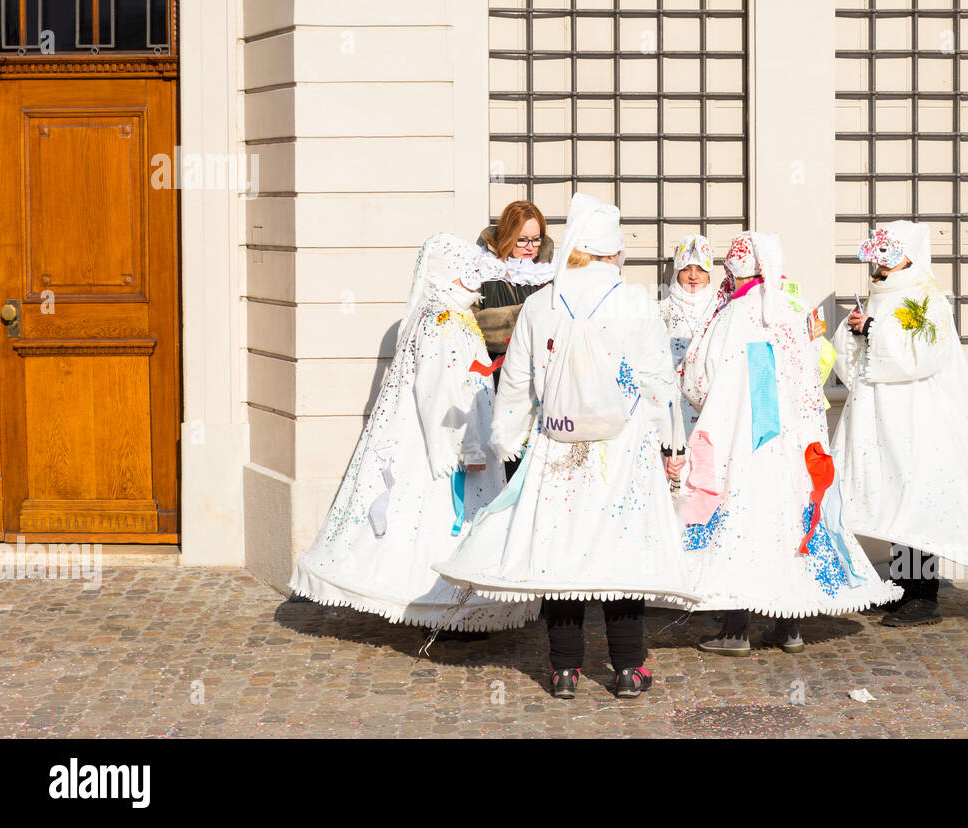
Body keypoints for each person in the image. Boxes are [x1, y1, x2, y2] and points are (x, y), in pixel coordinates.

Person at [434, 192, 700, 700]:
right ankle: (627, 668)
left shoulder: (541, 303)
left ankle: (563, 670)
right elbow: (659, 381)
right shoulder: (634, 300)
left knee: (559, 555)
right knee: (619, 556)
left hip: (556, 445)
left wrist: (508, 438)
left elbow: (514, 383)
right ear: (613, 250)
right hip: (622, 450)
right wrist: (671, 444)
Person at [290, 234, 540, 635]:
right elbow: (437, 390)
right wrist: (464, 446)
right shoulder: (439, 320)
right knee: (432, 516)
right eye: (466, 272)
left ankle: (456, 607)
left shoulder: (452, 315)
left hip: (464, 429)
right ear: (446, 273)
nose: (474, 280)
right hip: (442, 442)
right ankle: (437, 605)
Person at [678, 232, 901, 657]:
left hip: (743, 445)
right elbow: (819, 368)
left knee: (742, 525)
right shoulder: (795, 311)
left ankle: (736, 629)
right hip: (795, 446)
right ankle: (789, 627)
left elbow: (697, 380)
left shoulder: (729, 316)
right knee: (791, 525)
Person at [831, 220, 968, 628]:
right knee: (895, 498)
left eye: (889, 257)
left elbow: (925, 355)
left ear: (909, 256)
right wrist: (855, 331)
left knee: (917, 498)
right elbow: (853, 359)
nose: (880, 267)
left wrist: (874, 329)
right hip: (878, 416)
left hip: (915, 418)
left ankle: (923, 597)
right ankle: (902, 586)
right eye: (878, 258)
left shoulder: (927, 300)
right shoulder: (879, 296)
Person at [658, 235, 718, 487]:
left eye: (700, 269)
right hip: (674, 406)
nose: (693, 276)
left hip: (712, 404)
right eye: (686, 269)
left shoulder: (722, 308)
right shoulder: (661, 310)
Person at [474, 199, 556, 359]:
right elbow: (469, 324)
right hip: (494, 369)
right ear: (507, 236)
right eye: (522, 239)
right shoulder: (482, 269)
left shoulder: (550, 272)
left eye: (536, 239)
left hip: (542, 365)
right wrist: (522, 316)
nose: (530, 246)